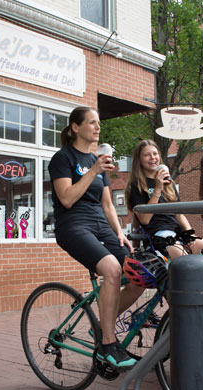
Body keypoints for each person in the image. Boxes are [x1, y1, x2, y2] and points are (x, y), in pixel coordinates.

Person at [48, 106, 144, 371]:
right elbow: (66, 198)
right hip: (73, 225)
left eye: (99, 123)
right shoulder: (63, 158)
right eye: (92, 123)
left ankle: (102, 326)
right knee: (111, 269)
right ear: (76, 127)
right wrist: (92, 170)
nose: (97, 127)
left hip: (101, 226)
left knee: (140, 275)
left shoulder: (97, 161)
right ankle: (108, 344)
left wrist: (119, 233)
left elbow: (108, 205)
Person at [125, 139, 203, 259]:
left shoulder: (169, 183)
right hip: (159, 235)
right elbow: (144, 220)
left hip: (178, 233)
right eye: (147, 155)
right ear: (139, 160)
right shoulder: (136, 185)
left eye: (155, 153)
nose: (153, 158)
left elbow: (179, 215)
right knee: (188, 262)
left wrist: (191, 235)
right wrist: (157, 189)